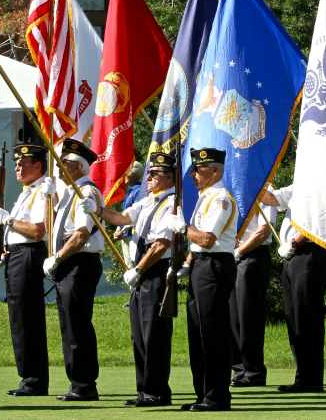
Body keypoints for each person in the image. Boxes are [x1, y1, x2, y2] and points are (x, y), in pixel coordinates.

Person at [93, 152, 177, 407]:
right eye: (149, 173)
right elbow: (122, 218)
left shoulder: (172, 203)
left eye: (154, 174)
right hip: (141, 273)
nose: (148, 177)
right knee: (139, 335)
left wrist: (138, 270)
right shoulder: (149, 201)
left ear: (170, 178)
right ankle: (144, 389)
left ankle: (158, 391)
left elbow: (162, 244)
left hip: (154, 271)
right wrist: (97, 209)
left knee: (154, 335)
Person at [164, 148, 238, 412]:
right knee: (197, 333)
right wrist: (185, 264)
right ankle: (203, 394)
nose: (193, 174)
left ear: (215, 170)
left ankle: (217, 397)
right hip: (200, 265)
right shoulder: (204, 198)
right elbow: (199, 246)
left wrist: (183, 228)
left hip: (216, 265)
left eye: (199, 169)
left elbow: (207, 239)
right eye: (194, 169)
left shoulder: (221, 199)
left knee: (213, 333)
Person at [0, 143, 52, 397]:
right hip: (17, 258)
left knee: (28, 319)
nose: (17, 167)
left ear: (37, 166)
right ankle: (29, 377)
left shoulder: (41, 192)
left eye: (22, 163)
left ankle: (34, 380)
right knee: (19, 318)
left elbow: (38, 231)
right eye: (15, 163)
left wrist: (7, 219)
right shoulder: (28, 192)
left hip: (28, 257)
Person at [44, 138, 104, 402]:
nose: (59, 168)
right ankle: (77, 383)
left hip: (79, 264)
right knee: (69, 326)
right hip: (68, 266)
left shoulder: (86, 193)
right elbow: (54, 228)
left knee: (77, 325)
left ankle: (84, 385)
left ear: (78, 167)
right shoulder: (70, 193)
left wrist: (56, 258)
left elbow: (81, 235)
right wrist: (49, 198)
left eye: (64, 163)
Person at [261, 184, 326, 394]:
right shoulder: (300, 184)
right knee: (295, 319)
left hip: (308, 253)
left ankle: (311, 379)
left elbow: (318, 223)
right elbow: (271, 199)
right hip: (292, 256)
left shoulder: (321, 186)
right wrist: (255, 179)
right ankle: (304, 377)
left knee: (307, 319)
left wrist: (292, 242)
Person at [229, 189, 276, 388]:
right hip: (233, 255)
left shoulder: (266, 191)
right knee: (234, 316)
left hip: (252, 255)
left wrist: (239, 251)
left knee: (249, 315)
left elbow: (264, 230)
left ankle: (254, 370)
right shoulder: (234, 189)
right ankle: (239, 369)